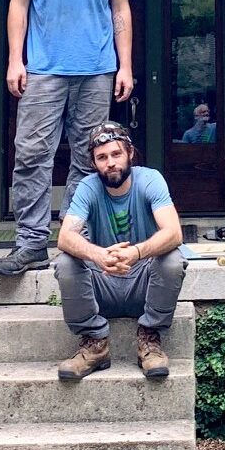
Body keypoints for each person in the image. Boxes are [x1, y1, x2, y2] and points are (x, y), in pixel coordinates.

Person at [0, 0, 135, 277]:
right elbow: (19, 4)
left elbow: (120, 9)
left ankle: (74, 239)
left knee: (90, 158)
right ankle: (31, 243)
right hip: (44, 69)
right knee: (32, 154)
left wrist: (125, 65)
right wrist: (15, 59)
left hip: (97, 69)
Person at [52, 121, 188, 381]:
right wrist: (99, 255)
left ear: (130, 153)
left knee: (172, 259)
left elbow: (174, 232)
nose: (110, 163)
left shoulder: (150, 180)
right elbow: (65, 237)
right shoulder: (87, 187)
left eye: (116, 154)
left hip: (144, 285)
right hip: (102, 284)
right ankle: (94, 344)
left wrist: (136, 252)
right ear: (93, 163)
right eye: (102, 157)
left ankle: (149, 339)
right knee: (66, 262)